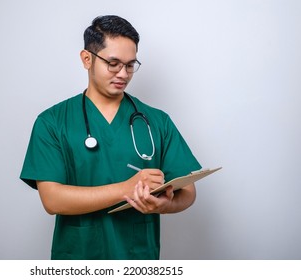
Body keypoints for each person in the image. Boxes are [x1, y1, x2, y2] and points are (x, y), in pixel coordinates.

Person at [20, 15, 201, 260]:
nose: (123, 74)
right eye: (113, 63)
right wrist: (125, 189)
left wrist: (164, 205)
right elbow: (52, 200)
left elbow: (187, 192)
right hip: (79, 258)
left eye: (130, 65)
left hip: (138, 259)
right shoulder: (53, 122)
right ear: (87, 59)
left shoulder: (157, 121)